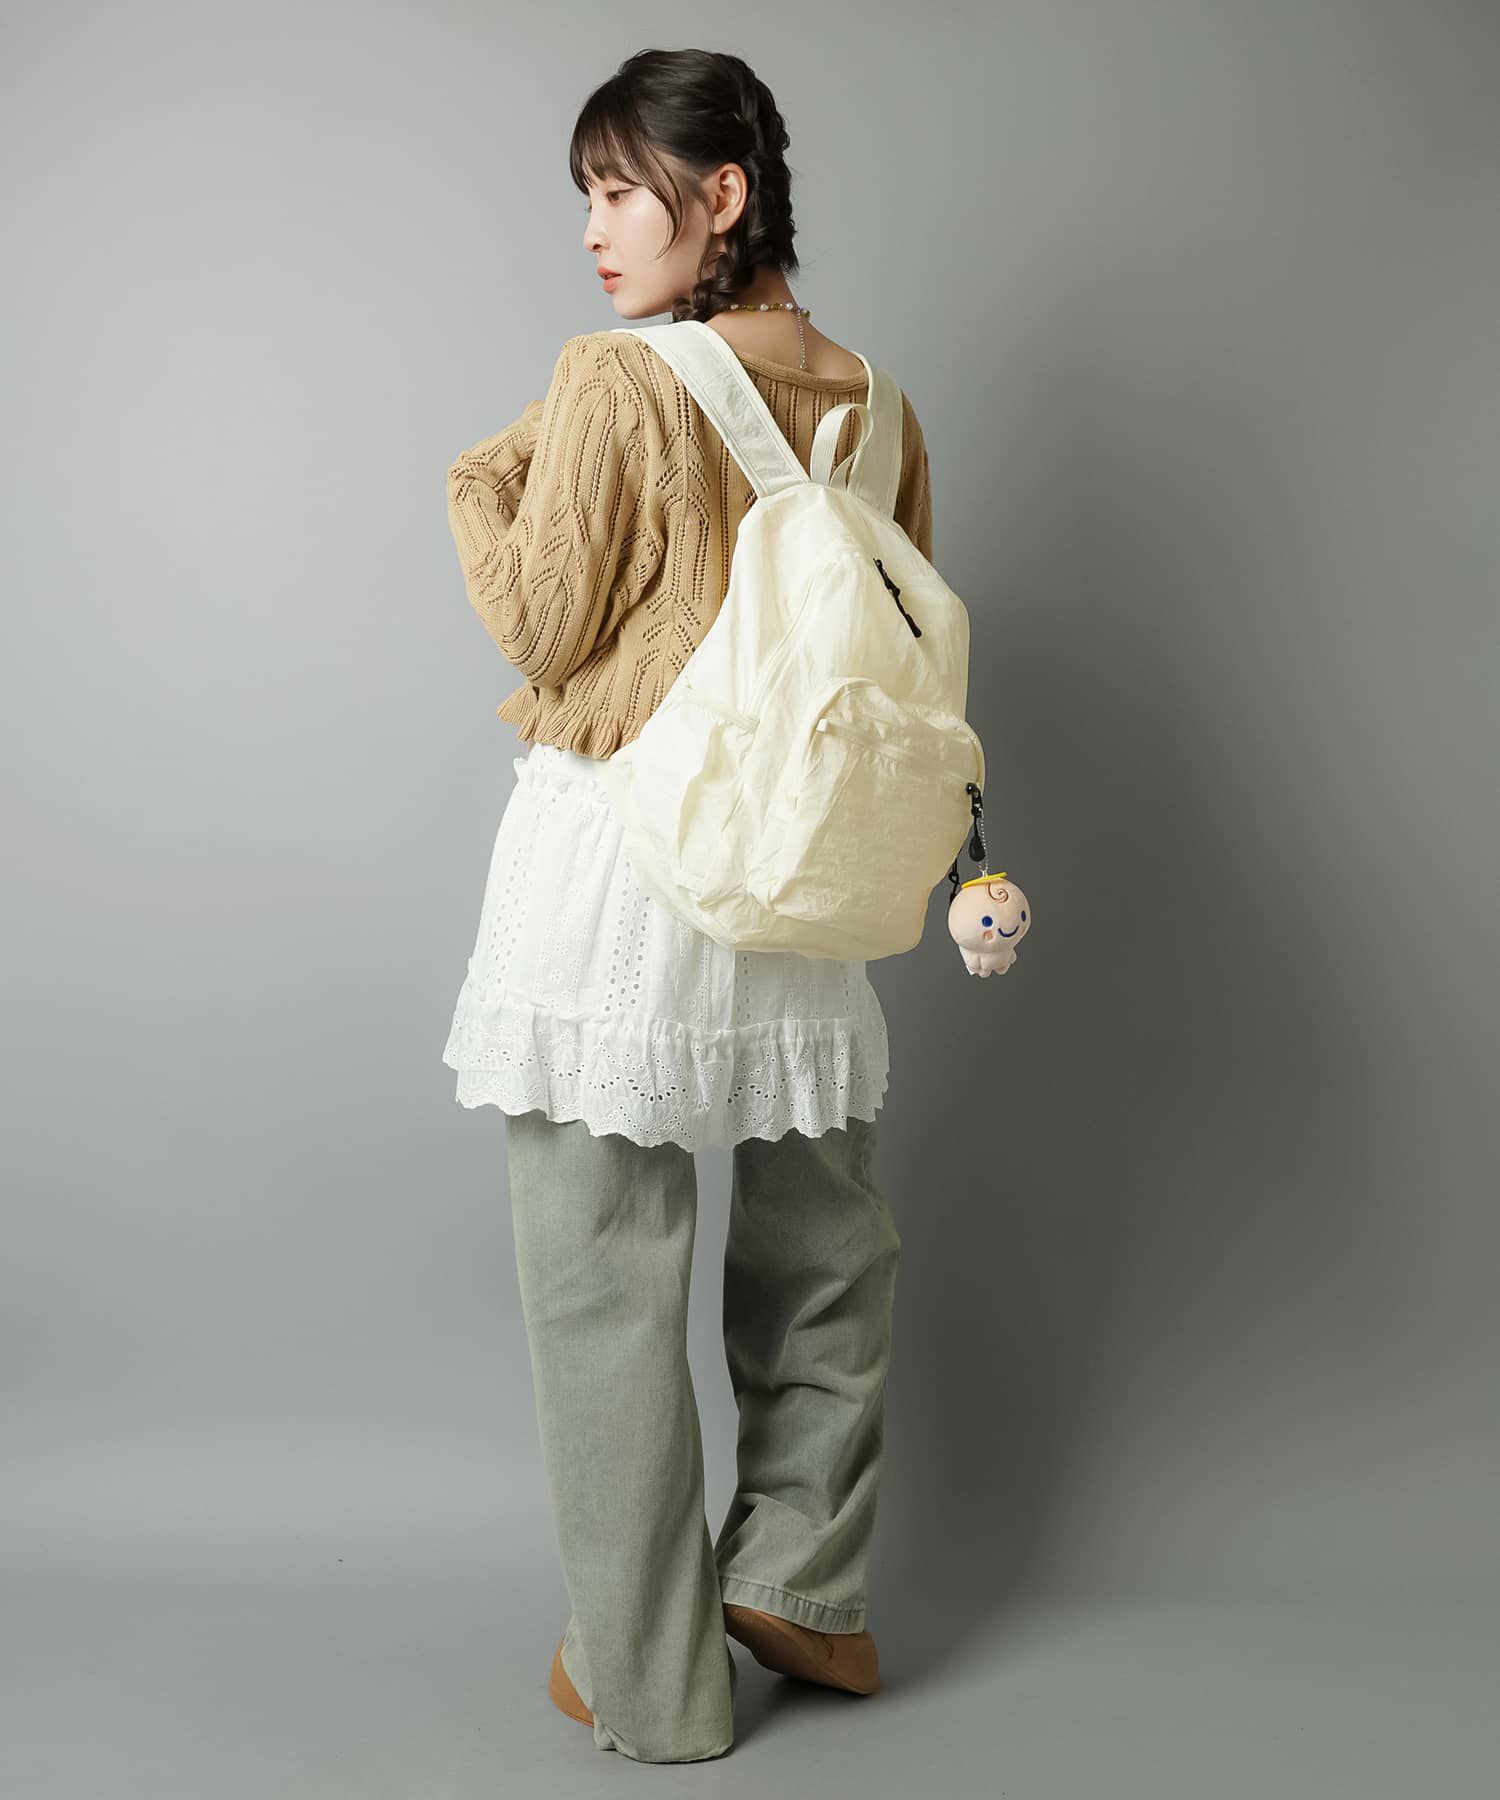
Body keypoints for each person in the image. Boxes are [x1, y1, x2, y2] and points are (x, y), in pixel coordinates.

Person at [440, 48, 932, 1763]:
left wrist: (478, 475)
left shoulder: (615, 377)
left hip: (633, 861)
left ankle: (649, 1678)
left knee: (602, 1267)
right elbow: (901, 643)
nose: (592, 230)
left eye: (616, 188)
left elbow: (542, 621)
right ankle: (806, 1579)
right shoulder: (883, 406)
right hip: (805, 866)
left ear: (720, 196)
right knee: (825, 1245)